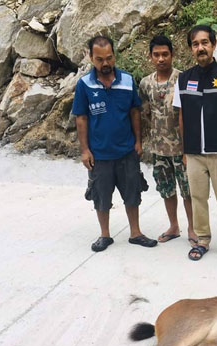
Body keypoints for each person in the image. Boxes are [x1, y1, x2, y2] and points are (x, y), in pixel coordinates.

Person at [72, 35, 157, 252]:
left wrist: (138, 141)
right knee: (101, 196)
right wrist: (84, 150)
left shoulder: (127, 81)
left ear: (114, 56)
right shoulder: (84, 85)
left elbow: (134, 112)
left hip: (127, 150)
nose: (106, 63)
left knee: (132, 192)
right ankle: (105, 235)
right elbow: (81, 118)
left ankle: (135, 233)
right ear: (91, 58)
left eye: (109, 58)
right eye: (100, 59)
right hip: (99, 154)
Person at [173, 25, 217, 263]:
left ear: (213, 45)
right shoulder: (183, 79)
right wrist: (185, 151)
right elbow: (181, 117)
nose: (200, 48)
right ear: (191, 49)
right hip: (194, 153)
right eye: (195, 44)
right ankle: (202, 240)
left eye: (205, 42)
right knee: (198, 199)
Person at [139, 36, 197, 246]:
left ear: (172, 55)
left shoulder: (183, 79)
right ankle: (174, 226)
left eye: (165, 54)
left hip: (182, 148)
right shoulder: (145, 83)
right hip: (158, 148)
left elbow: (190, 113)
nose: (161, 59)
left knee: (188, 191)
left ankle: (192, 227)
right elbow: (145, 113)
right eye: (156, 55)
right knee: (166, 189)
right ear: (150, 56)